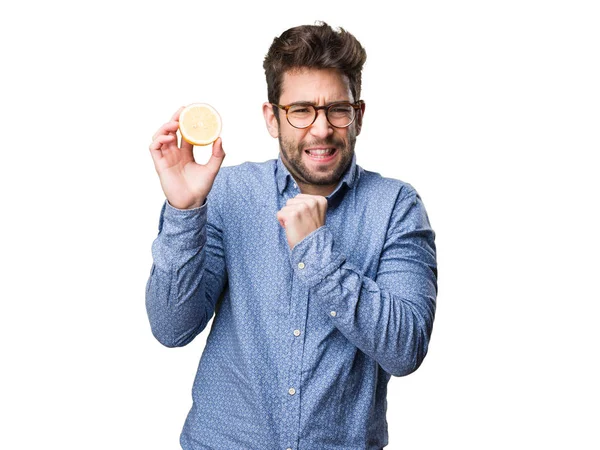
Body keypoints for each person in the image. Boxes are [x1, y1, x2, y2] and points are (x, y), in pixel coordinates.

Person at [146, 22, 437, 450]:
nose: (320, 129)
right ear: (272, 117)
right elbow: (171, 328)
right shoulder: (227, 193)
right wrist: (184, 212)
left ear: (357, 116)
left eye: (337, 109)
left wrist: (317, 253)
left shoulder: (396, 206)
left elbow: (406, 348)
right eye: (301, 110)